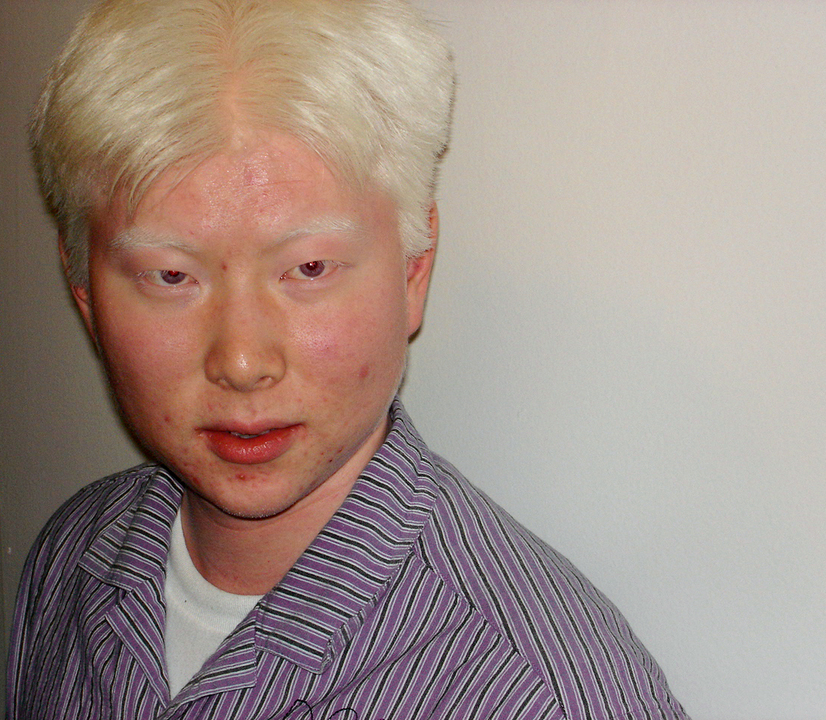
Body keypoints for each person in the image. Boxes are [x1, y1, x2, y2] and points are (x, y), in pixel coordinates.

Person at [8, 0, 689, 718]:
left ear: (414, 270)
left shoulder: (545, 696)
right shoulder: (70, 559)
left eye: (309, 269)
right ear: (85, 294)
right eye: (171, 276)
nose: (242, 361)